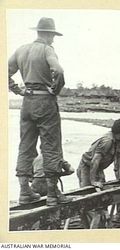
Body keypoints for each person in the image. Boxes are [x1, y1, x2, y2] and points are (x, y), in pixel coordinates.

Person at [8, 17, 73, 206]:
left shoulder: (21, 49)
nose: (53, 39)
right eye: (52, 36)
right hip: (45, 101)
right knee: (51, 146)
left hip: (27, 102)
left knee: (25, 146)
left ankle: (24, 192)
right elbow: (59, 71)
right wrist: (56, 89)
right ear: (49, 34)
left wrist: (17, 89)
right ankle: (53, 195)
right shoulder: (47, 49)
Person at [77, 118, 120, 188]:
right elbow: (95, 160)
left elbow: (119, 156)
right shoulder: (107, 141)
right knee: (87, 191)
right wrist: (93, 181)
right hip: (87, 167)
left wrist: (119, 175)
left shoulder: (119, 139)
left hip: (98, 168)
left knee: (102, 189)